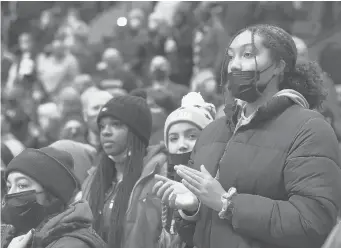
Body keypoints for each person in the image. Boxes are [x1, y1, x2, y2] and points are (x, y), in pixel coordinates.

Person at [153, 24, 341, 248]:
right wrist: (192, 210)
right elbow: (193, 234)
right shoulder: (212, 131)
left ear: (279, 66)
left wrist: (228, 203)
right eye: (231, 56)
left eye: (248, 54)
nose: (235, 65)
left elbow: (313, 223)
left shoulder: (309, 128)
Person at [82, 90, 168, 248]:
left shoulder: (159, 175)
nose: (106, 132)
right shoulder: (93, 178)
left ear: (136, 131)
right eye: (102, 126)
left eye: (116, 124)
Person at [2, 147, 106, 248]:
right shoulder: (13, 235)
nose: (10, 194)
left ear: (51, 194)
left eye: (22, 185)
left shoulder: (73, 244)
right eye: (9, 186)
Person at [156, 92, 216, 248]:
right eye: (174, 138)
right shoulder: (162, 184)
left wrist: (194, 209)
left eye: (192, 136)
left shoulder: (222, 180)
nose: (182, 145)